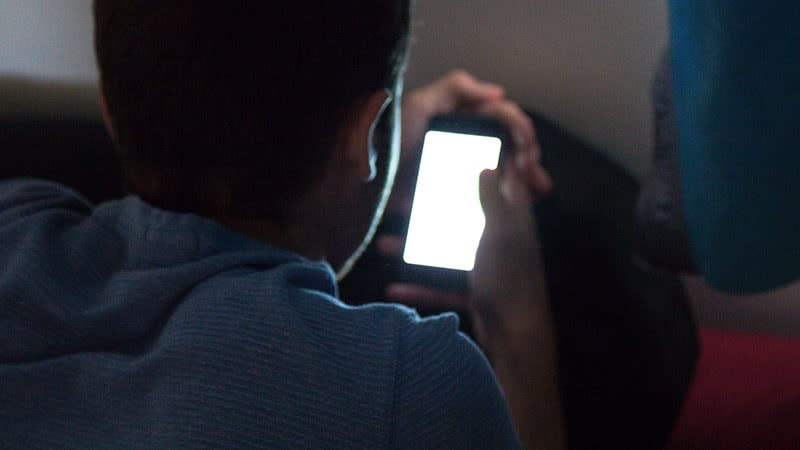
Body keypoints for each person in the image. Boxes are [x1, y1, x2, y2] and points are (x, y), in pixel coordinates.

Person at [0, 1, 562, 448]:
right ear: (364, 133)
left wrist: (359, 137)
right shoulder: (412, 387)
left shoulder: (15, 228)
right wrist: (520, 326)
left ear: (107, 107)